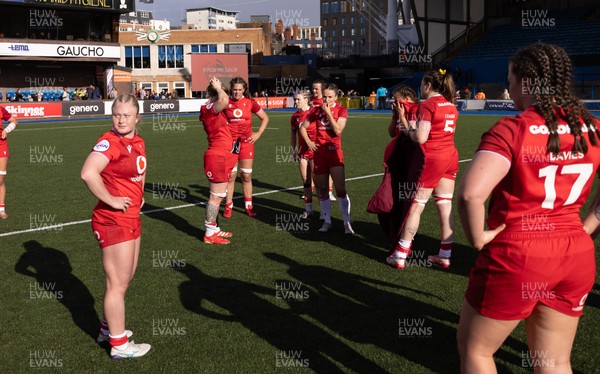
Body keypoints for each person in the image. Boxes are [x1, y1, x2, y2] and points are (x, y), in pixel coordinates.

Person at [456, 43, 600, 373]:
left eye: (510, 80)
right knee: (554, 360)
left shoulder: (514, 128)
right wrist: (586, 229)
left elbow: (469, 195)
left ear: (526, 82)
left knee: (475, 350)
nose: (508, 88)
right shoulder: (592, 127)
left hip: (519, 253)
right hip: (574, 254)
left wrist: (477, 238)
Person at [80, 94, 151, 359]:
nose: (121, 120)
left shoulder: (138, 141)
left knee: (126, 278)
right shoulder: (109, 141)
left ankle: (107, 329)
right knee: (117, 283)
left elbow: (140, 171)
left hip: (131, 217)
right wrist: (110, 199)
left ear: (137, 117)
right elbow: (88, 173)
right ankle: (119, 346)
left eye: (126, 115)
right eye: (116, 114)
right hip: (112, 219)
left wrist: (140, 193)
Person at [386, 69, 458, 269]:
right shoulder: (451, 105)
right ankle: (445, 253)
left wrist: (406, 123)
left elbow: (420, 137)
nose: (419, 88)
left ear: (427, 85)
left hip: (431, 158)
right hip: (450, 155)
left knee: (416, 205)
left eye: (421, 85)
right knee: (445, 205)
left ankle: (400, 254)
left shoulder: (427, 105)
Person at [300, 83, 353, 234]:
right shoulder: (316, 110)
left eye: (330, 97)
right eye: (325, 96)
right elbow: (303, 127)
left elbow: (337, 130)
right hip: (320, 154)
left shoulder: (341, 110)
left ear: (336, 97)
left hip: (335, 153)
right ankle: (327, 221)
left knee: (340, 189)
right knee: (322, 189)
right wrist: (309, 142)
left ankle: (346, 222)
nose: (327, 99)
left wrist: (328, 113)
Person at [222, 77, 269, 218]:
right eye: (234, 89)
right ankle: (228, 205)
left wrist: (258, 133)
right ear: (231, 89)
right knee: (230, 176)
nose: (236, 92)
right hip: (231, 144)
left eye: (239, 89)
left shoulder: (250, 103)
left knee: (246, 176)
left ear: (244, 90)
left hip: (246, 143)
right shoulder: (225, 103)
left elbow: (265, 118)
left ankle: (249, 206)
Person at [199, 77, 235, 244]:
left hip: (223, 155)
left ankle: (214, 229)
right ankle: (209, 233)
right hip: (217, 156)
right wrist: (219, 88)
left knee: (220, 195)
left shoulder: (215, 110)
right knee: (215, 197)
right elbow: (224, 100)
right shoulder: (208, 108)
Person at [290, 89, 314, 219]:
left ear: (306, 99)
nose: (296, 101)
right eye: (295, 99)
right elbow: (293, 134)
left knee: (318, 182)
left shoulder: (314, 112)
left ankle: (325, 213)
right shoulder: (295, 116)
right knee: (306, 181)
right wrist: (294, 150)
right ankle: (309, 210)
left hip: (315, 151)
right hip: (303, 151)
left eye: (298, 99)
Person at [0, 105, 18, 219]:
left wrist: (6, 130)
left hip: (1, 145)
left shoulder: (1, 109)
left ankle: (1, 209)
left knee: (0, 179)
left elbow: (15, 121)